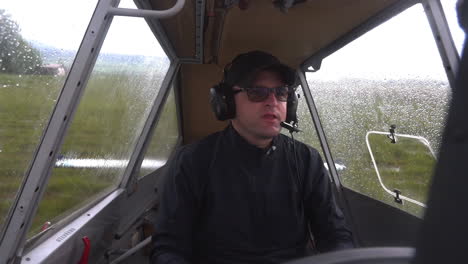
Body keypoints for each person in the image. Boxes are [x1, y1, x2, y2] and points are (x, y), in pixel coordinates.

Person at [151, 50, 353, 264]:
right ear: (226, 102)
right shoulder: (193, 161)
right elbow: (169, 247)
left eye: (281, 92)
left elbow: (335, 235)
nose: (272, 101)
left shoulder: (306, 160)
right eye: (257, 92)